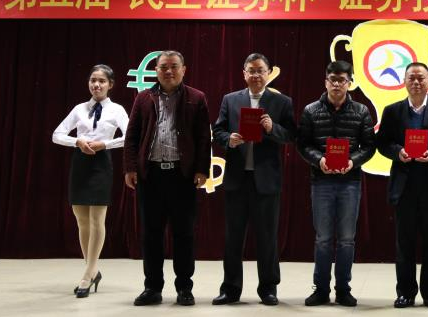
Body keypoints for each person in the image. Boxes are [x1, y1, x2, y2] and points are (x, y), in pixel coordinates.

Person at [123, 50, 211, 307]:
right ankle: (152, 287)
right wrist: (130, 168)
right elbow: (132, 136)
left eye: (174, 66)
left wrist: (202, 169)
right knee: (151, 234)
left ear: (184, 70)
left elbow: (203, 137)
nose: (168, 71)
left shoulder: (197, 97)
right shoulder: (143, 98)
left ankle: (184, 288)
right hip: (150, 176)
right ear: (156, 71)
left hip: (182, 176)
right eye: (163, 67)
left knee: (184, 234)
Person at [212, 53, 296, 306]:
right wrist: (229, 139)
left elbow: (291, 135)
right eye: (251, 70)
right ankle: (230, 289)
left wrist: (272, 128)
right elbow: (218, 130)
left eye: (260, 70)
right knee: (233, 237)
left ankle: (268, 288)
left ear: (268, 73)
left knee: (267, 237)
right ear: (244, 74)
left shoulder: (281, 102)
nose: (256, 75)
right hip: (237, 179)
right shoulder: (230, 99)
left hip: (266, 180)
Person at [376, 62, 428, 310]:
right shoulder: (392, 111)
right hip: (404, 185)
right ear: (404, 82)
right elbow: (382, 143)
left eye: (420, 78)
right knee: (404, 243)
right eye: (411, 78)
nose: (416, 82)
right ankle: (405, 293)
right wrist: (397, 152)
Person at [296, 60, 375, 307]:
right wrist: (319, 160)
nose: (337, 84)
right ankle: (321, 289)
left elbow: (369, 146)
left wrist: (353, 161)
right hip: (321, 181)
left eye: (342, 80)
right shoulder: (311, 110)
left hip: (350, 182)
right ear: (326, 81)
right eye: (333, 80)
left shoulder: (361, 111)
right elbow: (303, 144)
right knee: (323, 238)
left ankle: (343, 289)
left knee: (347, 239)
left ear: (350, 82)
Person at [52, 64, 128, 298]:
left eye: (101, 81)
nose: (96, 85)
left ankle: (88, 274)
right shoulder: (79, 108)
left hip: (101, 162)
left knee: (97, 219)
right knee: (81, 220)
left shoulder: (116, 110)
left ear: (110, 85)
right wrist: (77, 141)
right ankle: (92, 269)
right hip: (80, 162)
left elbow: (129, 137)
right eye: (93, 80)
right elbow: (57, 134)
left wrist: (105, 143)